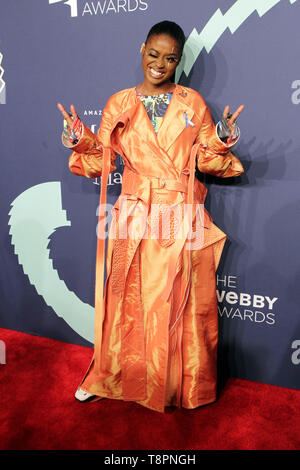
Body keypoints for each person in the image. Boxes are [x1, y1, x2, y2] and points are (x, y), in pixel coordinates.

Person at [57, 20, 244, 413]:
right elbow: (99, 160)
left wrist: (223, 139)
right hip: (135, 213)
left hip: (178, 214)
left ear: (178, 61)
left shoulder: (192, 103)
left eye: (170, 58)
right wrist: (79, 137)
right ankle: (114, 376)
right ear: (142, 50)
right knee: (127, 299)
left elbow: (207, 159)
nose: (160, 64)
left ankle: (180, 385)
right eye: (154, 54)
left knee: (183, 300)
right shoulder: (118, 103)